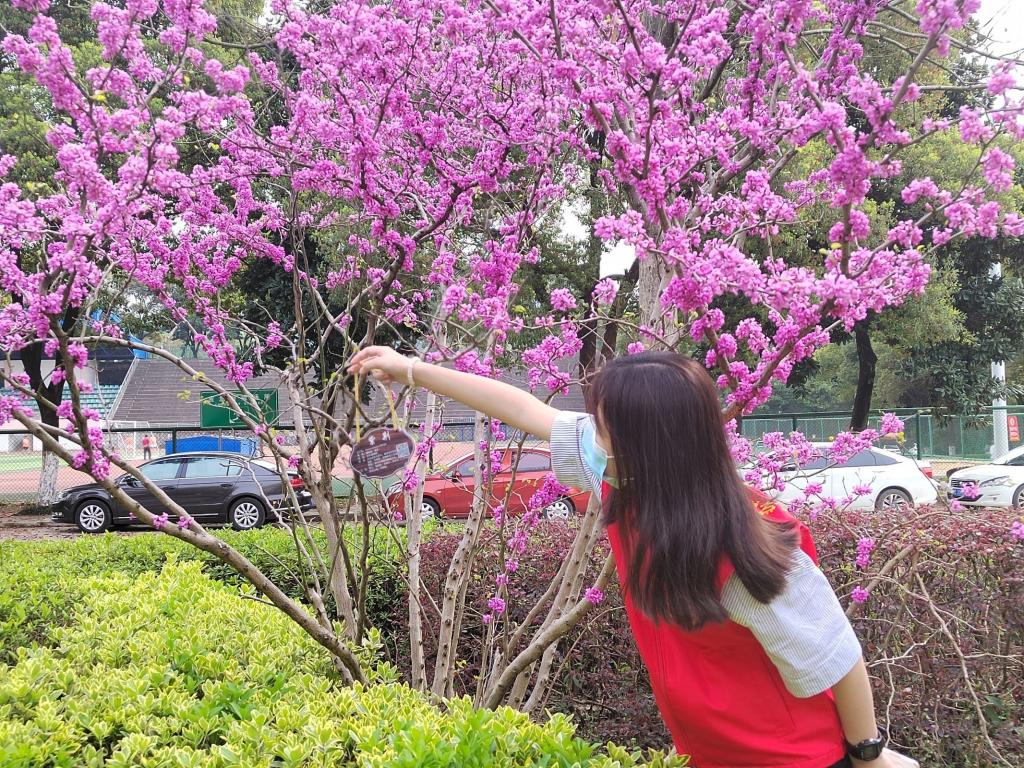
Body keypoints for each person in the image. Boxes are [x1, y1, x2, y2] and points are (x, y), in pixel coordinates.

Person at [349, 346, 920, 768]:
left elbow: (837, 657)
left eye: (599, 429)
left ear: (647, 444)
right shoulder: (632, 480)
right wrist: (412, 370)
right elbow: (522, 408)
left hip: (791, 758)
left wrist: (869, 756)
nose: (586, 437)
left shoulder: (747, 546)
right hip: (710, 753)